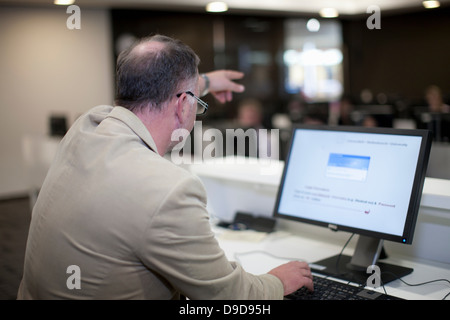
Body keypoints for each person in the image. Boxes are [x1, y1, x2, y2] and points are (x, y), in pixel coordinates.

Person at [17, 35, 313, 300]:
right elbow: (228, 295)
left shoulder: (85, 127)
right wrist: (276, 282)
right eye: (196, 102)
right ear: (183, 104)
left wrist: (205, 83)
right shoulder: (170, 189)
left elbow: (154, 82)